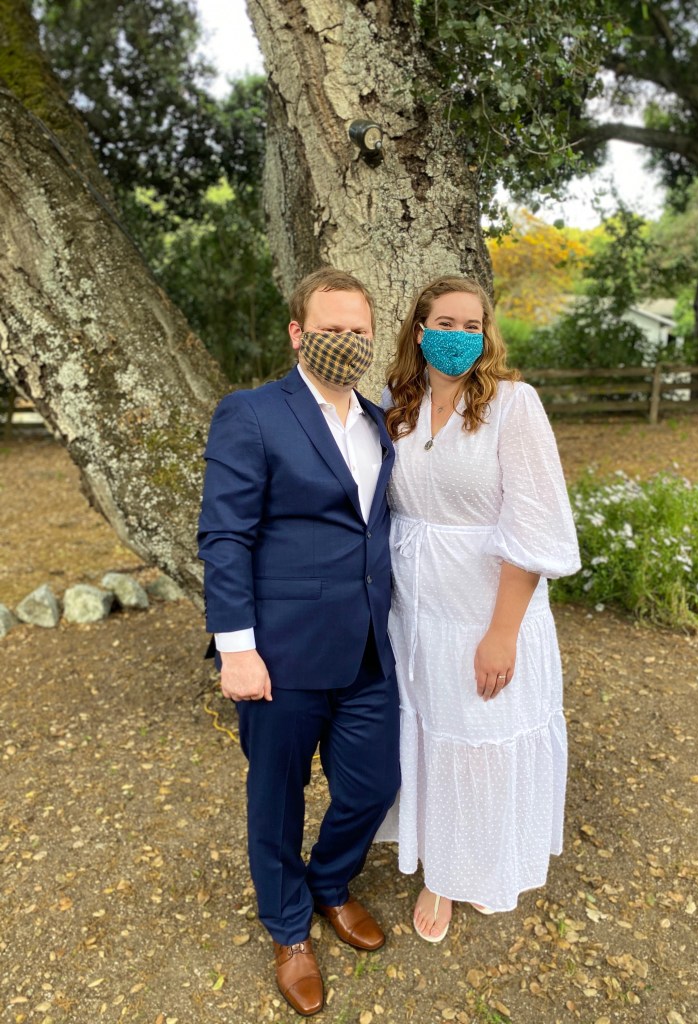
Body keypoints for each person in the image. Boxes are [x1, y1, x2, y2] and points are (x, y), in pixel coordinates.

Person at [198, 268, 399, 1016]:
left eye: (358, 330)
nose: (346, 340)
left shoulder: (379, 421)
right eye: (330, 328)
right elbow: (224, 535)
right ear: (297, 332)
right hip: (279, 653)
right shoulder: (251, 413)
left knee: (374, 783)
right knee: (276, 798)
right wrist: (236, 647)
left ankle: (330, 882)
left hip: (368, 646)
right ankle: (289, 929)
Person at [375, 275, 580, 942]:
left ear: (487, 335)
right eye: (446, 323)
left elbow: (534, 524)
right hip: (414, 613)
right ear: (420, 331)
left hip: (486, 611)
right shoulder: (396, 405)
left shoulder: (513, 406)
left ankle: (483, 865)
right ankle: (440, 868)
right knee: (433, 735)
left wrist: (502, 633)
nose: (460, 336)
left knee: (483, 739)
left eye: (473, 325)